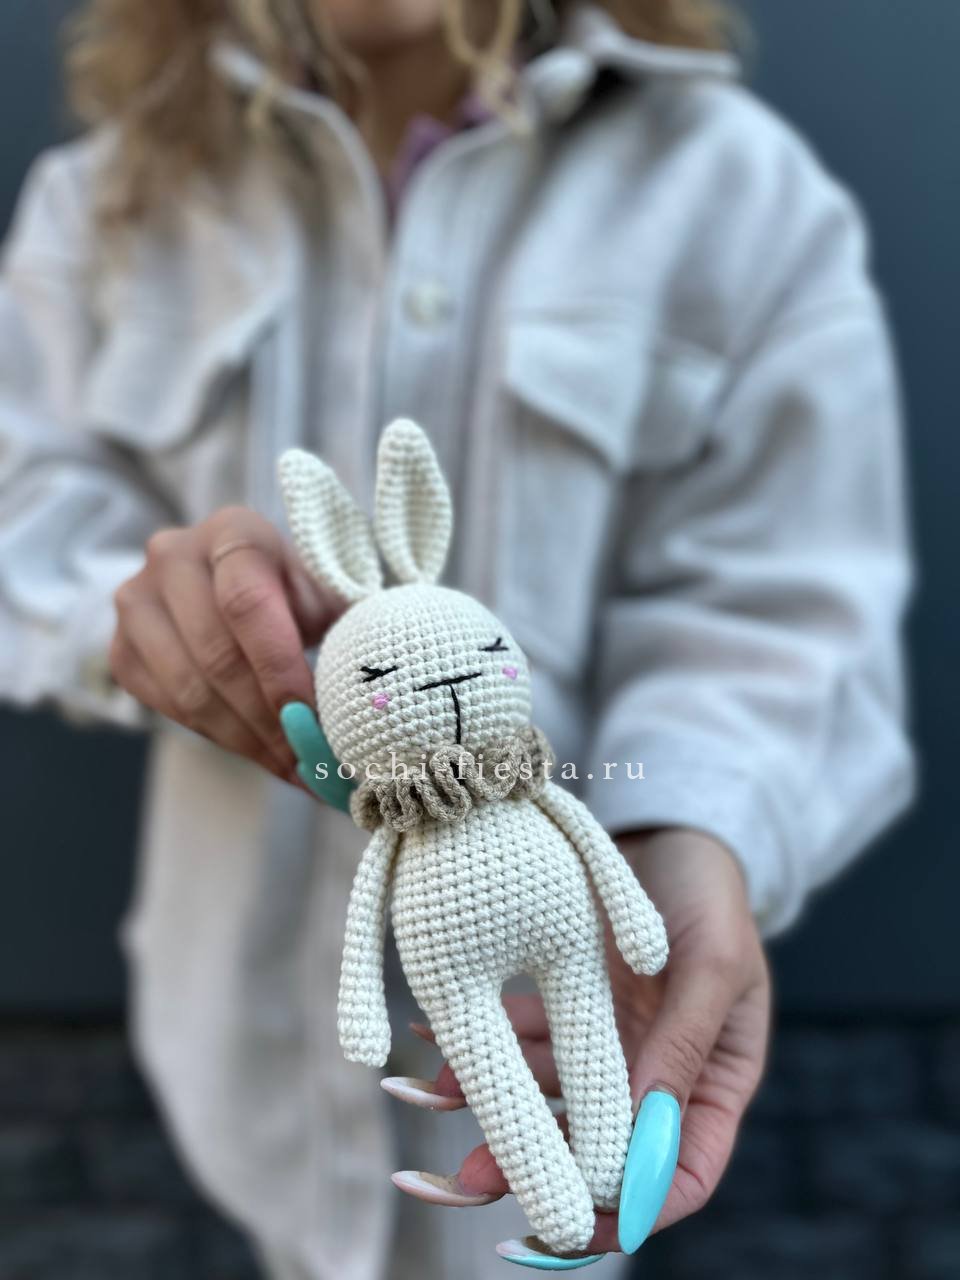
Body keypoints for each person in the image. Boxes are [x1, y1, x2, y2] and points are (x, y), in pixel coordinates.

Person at [0, 1, 913, 1276]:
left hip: (599, 978)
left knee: (575, 1105)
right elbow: (31, 507)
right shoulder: (103, 199)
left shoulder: (733, 187)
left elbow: (785, 597)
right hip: (244, 1053)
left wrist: (681, 829)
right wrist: (132, 612)